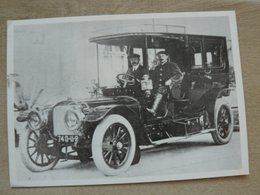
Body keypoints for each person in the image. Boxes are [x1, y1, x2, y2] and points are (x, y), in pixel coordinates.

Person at [147, 51, 183, 115]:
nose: (161, 57)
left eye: (163, 56)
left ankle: (154, 109)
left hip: (172, 88)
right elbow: (153, 79)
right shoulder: (157, 67)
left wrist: (171, 80)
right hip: (160, 88)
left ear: (167, 57)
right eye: (159, 56)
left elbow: (179, 75)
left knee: (160, 90)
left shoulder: (172, 65)